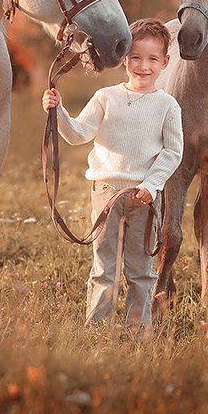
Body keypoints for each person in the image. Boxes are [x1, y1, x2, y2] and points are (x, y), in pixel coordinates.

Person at [42, 18, 183, 331]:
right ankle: (97, 330)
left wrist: (152, 185)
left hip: (144, 197)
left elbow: (173, 152)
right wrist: (58, 111)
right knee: (104, 267)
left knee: (141, 270)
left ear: (165, 62)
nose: (143, 66)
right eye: (135, 57)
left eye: (152, 59)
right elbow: (78, 134)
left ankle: (138, 332)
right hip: (106, 193)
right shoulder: (106, 97)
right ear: (124, 59)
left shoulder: (167, 106)